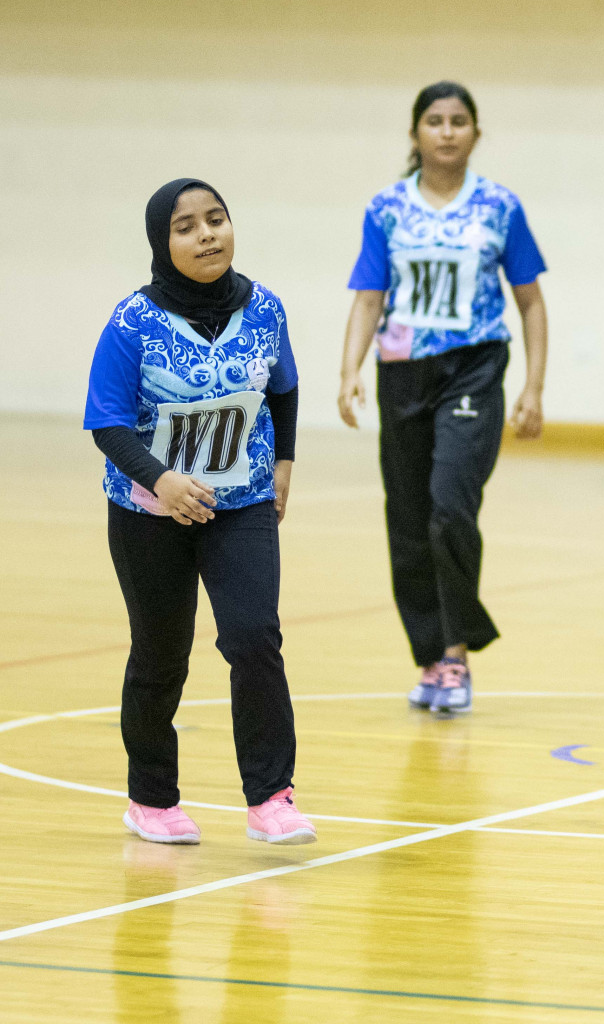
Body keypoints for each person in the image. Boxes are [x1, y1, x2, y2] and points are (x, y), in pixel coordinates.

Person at [83, 178, 316, 845]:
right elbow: (107, 422)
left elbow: (285, 390)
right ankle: (151, 800)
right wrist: (162, 482)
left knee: (253, 639)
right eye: (187, 227)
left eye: (217, 219)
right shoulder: (132, 322)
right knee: (161, 654)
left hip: (241, 502)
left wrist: (286, 465)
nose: (207, 234)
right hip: (146, 512)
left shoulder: (265, 307)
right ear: (163, 242)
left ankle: (271, 798)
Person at [339, 81, 549, 715]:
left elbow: (531, 302)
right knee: (406, 519)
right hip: (402, 371)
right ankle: (431, 657)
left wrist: (534, 387)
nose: (448, 131)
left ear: (475, 135)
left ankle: (456, 653)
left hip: (474, 369)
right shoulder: (386, 209)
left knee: (449, 506)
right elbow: (369, 299)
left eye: (460, 121)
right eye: (435, 120)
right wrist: (348, 369)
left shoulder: (500, 207)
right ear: (415, 135)